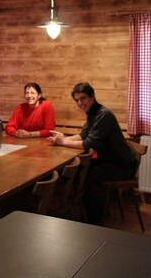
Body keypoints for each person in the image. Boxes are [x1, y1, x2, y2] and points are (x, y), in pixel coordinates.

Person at [48, 82, 137, 223]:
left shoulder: (103, 115)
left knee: (84, 175)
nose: (80, 103)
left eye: (83, 98)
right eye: (77, 100)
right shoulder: (93, 113)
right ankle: (91, 211)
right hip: (109, 160)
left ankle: (94, 218)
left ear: (92, 97)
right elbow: (83, 135)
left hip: (123, 165)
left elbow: (89, 144)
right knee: (76, 172)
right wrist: (63, 138)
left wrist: (63, 142)